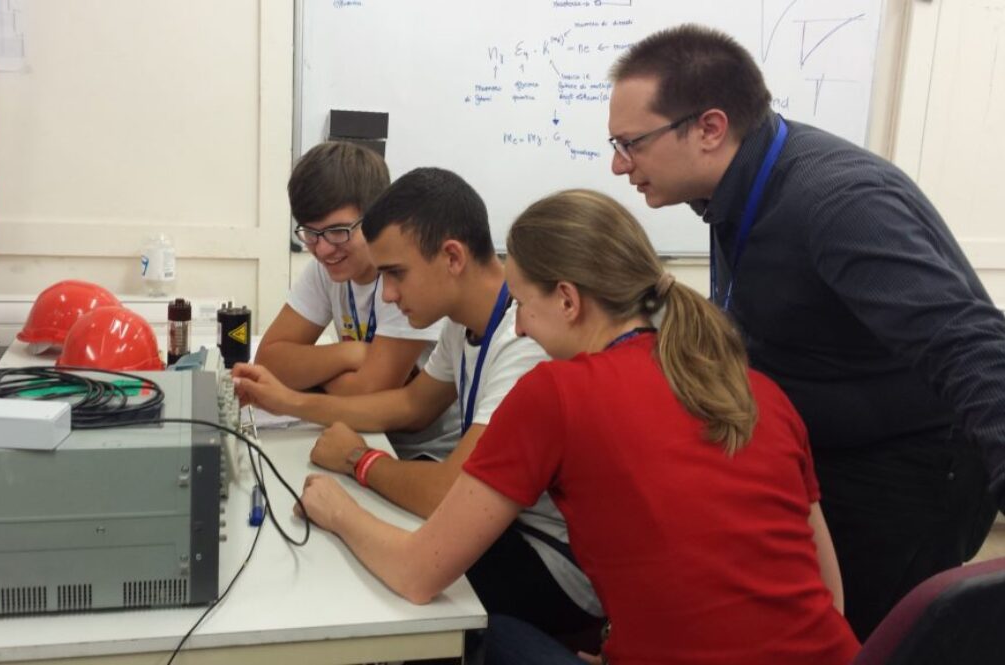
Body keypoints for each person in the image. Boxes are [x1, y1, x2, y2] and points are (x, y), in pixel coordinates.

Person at [295, 189, 861, 665]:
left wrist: (337, 510)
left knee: (473, 630)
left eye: (521, 304)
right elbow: (828, 595)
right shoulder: (754, 389)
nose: (518, 328)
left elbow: (418, 575)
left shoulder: (556, 392)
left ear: (567, 300)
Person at [605, 23, 1005, 641]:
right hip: (836, 454)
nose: (618, 165)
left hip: (912, 473)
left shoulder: (838, 201)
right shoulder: (735, 190)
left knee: (867, 642)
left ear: (709, 129)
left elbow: (970, 345)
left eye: (632, 144)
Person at [234, 168, 603, 649]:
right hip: (509, 524)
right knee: (357, 553)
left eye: (395, 273)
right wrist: (292, 403)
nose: (387, 293)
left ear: (452, 257)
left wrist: (358, 460)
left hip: (554, 562)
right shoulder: (462, 323)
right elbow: (412, 404)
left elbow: (446, 491)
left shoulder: (525, 340)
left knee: (367, 586)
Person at [253, 141, 457, 459]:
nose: (322, 249)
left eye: (338, 231)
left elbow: (369, 392)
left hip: (424, 451)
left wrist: (313, 378)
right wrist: (353, 353)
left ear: (376, 218)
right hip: (362, 432)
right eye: (310, 234)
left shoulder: (404, 275)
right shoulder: (326, 269)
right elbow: (269, 361)